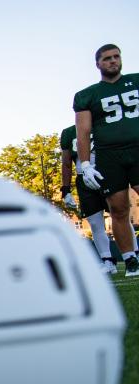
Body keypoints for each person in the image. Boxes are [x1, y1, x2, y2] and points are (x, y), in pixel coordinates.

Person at [74, 44, 139, 276]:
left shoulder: (136, 80)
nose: (113, 61)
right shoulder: (88, 95)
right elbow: (82, 132)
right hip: (109, 154)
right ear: (98, 64)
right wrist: (86, 164)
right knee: (119, 209)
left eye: (116, 57)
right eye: (107, 58)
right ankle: (130, 259)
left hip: (138, 148)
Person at [60, 124, 117, 275]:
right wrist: (65, 190)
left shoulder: (104, 125)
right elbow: (66, 163)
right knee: (94, 222)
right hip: (83, 178)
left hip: (106, 173)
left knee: (119, 215)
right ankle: (107, 260)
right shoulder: (69, 132)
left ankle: (133, 255)